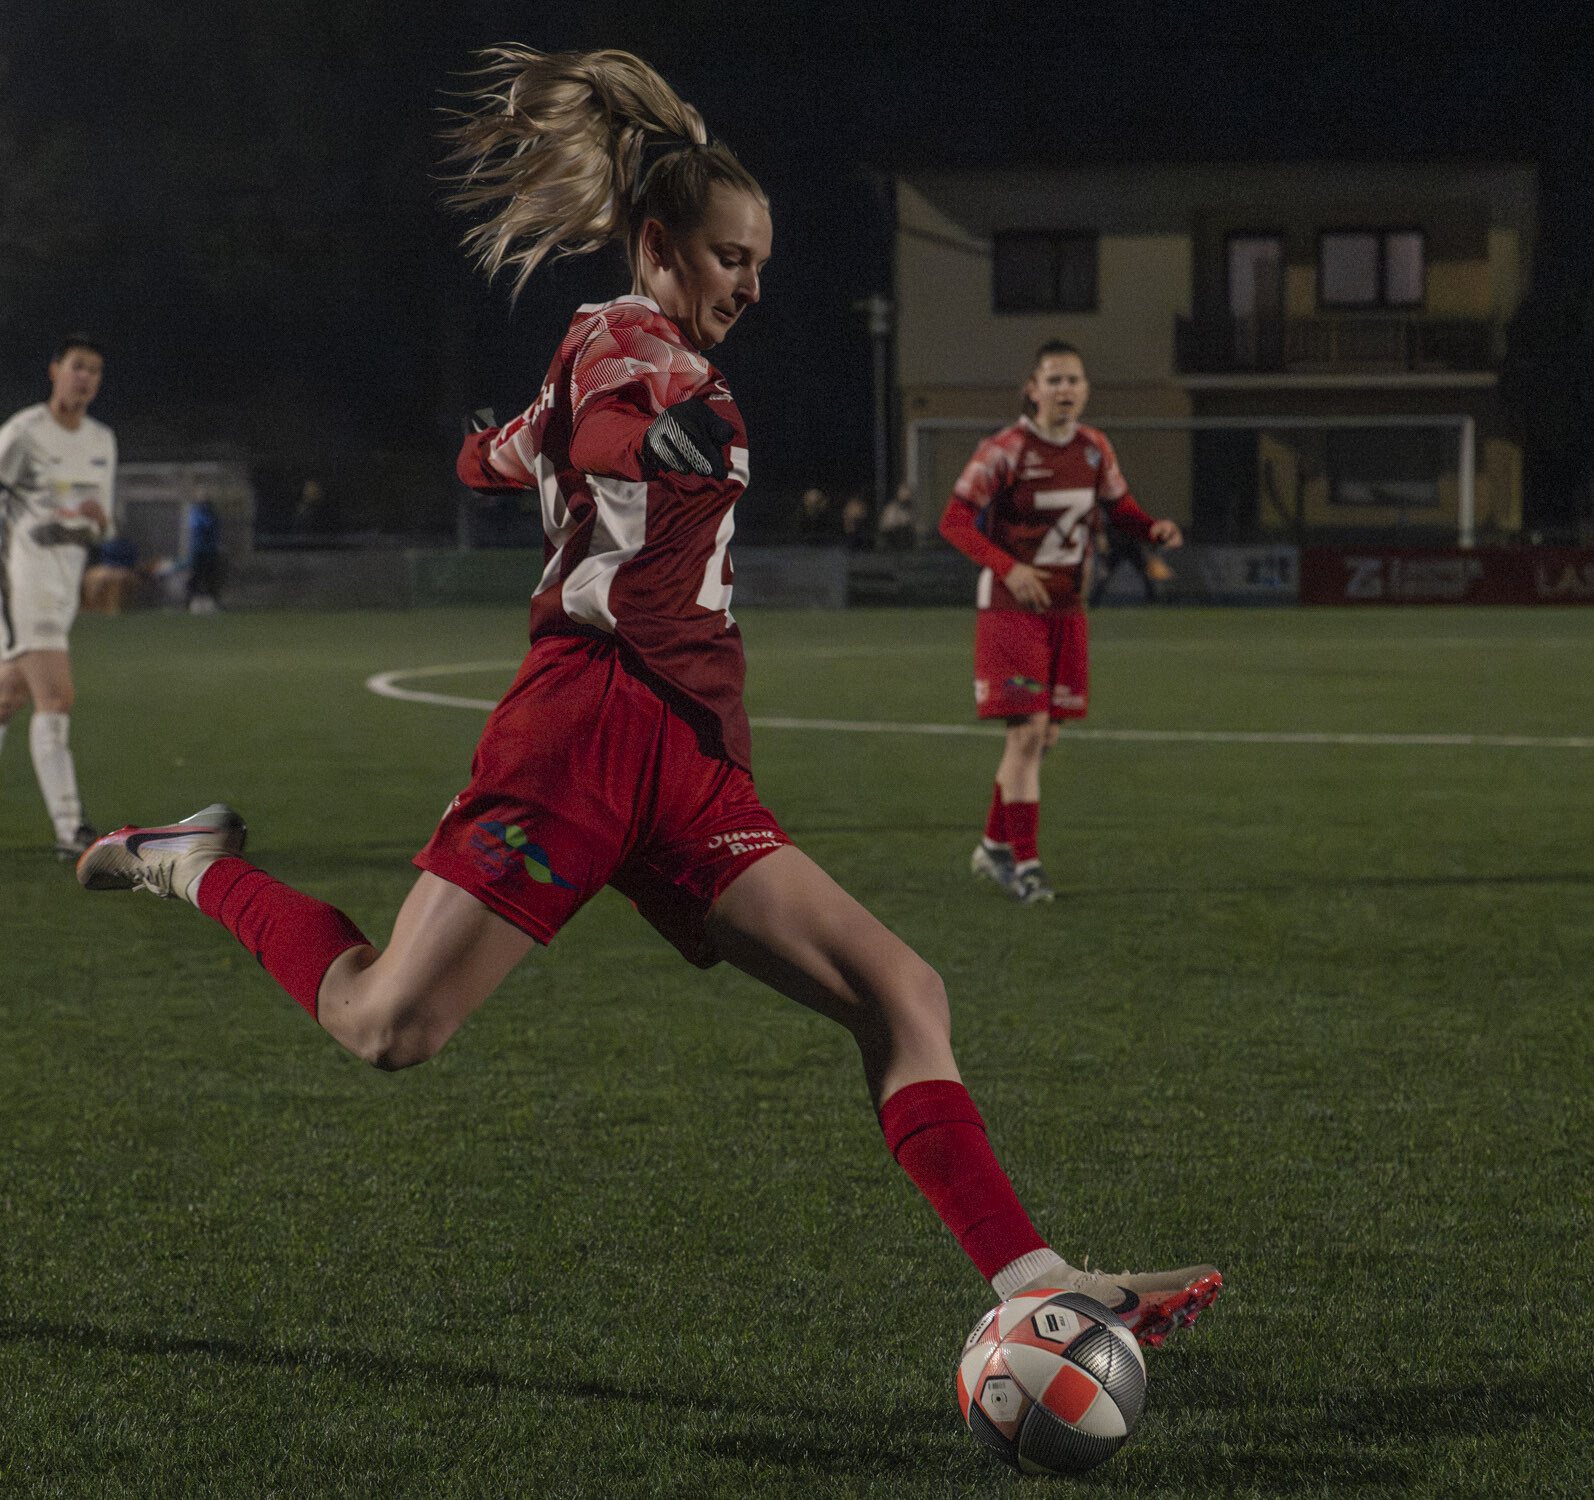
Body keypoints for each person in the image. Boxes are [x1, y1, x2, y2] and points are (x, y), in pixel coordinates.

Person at [76, 48, 1220, 1345]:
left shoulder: (641, 363)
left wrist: (498, 448)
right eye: (732, 258)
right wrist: (633, 442)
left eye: (762, 264)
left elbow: (510, 450)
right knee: (387, 1025)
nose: (751, 285)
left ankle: (1037, 1283)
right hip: (582, 731)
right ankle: (194, 866)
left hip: (688, 759)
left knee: (904, 992)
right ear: (660, 244)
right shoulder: (620, 339)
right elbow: (603, 427)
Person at [939, 340, 1183, 903]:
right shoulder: (1004, 450)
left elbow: (1120, 510)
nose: (1065, 389)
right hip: (1012, 610)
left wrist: (1152, 529)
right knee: (1026, 734)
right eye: (1054, 380)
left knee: (1043, 737)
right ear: (1033, 389)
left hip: (1068, 609)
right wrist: (1009, 568)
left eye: (1074, 379)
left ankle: (993, 847)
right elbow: (954, 521)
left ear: (1086, 389)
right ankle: (1025, 865)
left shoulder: (1095, 447)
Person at [0, 334, 117, 860]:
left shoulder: (102, 440)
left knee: (1, 701)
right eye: (77, 366)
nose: (85, 378)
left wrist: (101, 523)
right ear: (55, 370)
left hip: (63, 587)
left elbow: (103, 522)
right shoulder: (22, 432)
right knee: (57, 696)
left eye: (95, 370)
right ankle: (71, 829)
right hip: (20, 580)